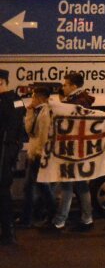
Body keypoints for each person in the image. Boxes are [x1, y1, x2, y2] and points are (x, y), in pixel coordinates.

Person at [51, 71, 96, 232]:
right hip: (79, 150)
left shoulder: (78, 102)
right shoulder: (81, 100)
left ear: (74, 86)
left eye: (65, 84)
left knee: (67, 184)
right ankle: (87, 219)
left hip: (72, 150)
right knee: (81, 185)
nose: (63, 87)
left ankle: (60, 221)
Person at [20, 85, 55, 229]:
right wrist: (29, 112)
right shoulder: (37, 111)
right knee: (33, 187)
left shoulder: (46, 113)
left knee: (38, 187)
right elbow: (30, 131)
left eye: (33, 96)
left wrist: (39, 153)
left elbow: (44, 136)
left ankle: (49, 215)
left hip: (38, 154)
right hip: (34, 153)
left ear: (40, 98)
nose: (32, 99)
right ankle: (28, 218)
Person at [0, 69, 23, 245]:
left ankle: (9, 233)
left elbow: (13, 126)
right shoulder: (15, 100)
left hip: (4, 154)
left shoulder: (12, 101)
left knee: (3, 193)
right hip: (7, 153)